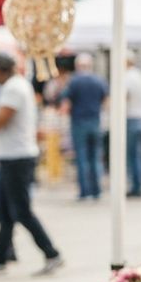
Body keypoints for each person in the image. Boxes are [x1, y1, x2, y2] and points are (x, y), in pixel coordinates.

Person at [0, 53, 62, 275]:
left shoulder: (14, 88)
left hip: (17, 157)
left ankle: (51, 252)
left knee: (21, 210)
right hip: (10, 156)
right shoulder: (11, 87)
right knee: (5, 212)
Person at [60, 52, 107, 200]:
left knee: (81, 157)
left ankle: (84, 191)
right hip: (95, 121)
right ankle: (96, 190)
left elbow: (66, 104)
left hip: (79, 122)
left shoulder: (74, 82)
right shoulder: (99, 81)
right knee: (95, 157)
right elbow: (106, 101)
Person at [124, 50, 141, 198]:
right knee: (138, 154)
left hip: (131, 117)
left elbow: (124, 96)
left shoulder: (127, 77)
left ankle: (135, 185)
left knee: (132, 155)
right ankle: (138, 184)